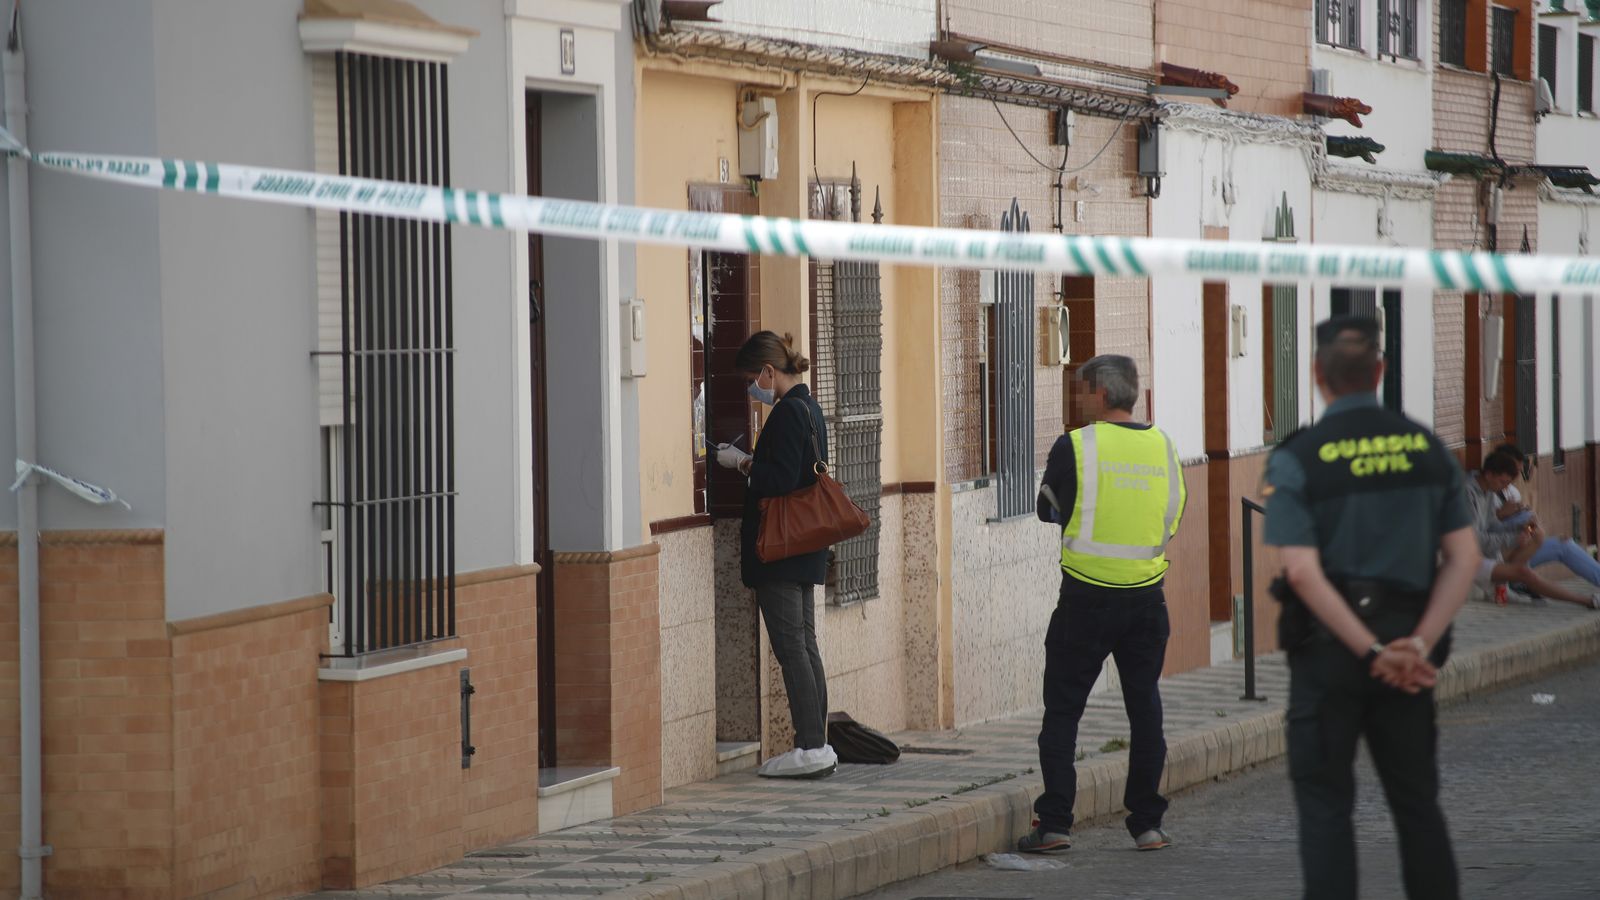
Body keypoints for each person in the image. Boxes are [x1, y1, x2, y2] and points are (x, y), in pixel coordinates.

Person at [1263, 316, 1480, 900]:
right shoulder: (1426, 449)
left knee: (1326, 810)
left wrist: (1371, 651)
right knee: (1417, 808)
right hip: (1412, 655)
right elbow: (1463, 557)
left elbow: (1303, 572)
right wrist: (1416, 646)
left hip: (1330, 658)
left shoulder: (1300, 457)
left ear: (1317, 375)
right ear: (1380, 372)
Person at [1019, 354, 1185, 854]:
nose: (1077, 400)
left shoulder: (1076, 445)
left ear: (1101, 394)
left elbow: (1048, 510)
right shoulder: (1164, 447)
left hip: (1086, 600)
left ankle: (1054, 825)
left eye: (1081, 390)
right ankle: (1148, 824)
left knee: (1064, 711)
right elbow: (1172, 516)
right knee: (1145, 708)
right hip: (1146, 599)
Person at [713, 331, 838, 779]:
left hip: (781, 551)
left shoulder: (786, 414)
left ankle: (810, 746)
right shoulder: (810, 407)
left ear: (769, 372)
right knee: (805, 646)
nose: (752, 388)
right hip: (804, 547)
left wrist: (742, 463)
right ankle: (817, 744)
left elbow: (780, 479)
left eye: (753, 378)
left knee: (793, 650)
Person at [1465, 450, 1600, 609]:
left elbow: (1491, 527)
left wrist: (1519, 528)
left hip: (1490, 551)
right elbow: (1474, 540)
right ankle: (1588, 601)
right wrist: (1513, 537)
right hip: (1470, 556)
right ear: (1489, 474)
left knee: (1540, 534)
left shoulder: (1487, 491)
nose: (1503, 488)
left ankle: (1513, 582)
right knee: (1526, 569)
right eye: (1502, 482)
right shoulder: (1467, 492)